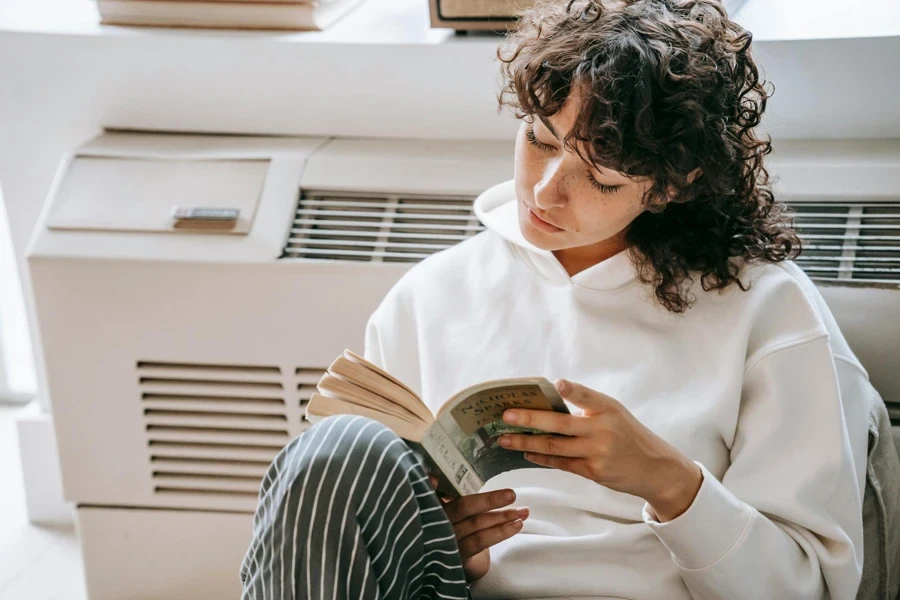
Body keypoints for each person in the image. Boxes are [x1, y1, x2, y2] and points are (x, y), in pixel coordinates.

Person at [240, 0, 873, 598]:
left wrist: (669, 482)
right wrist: (456, 548)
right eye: (540, 141)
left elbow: (809, 586)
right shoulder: (431, 295)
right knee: (332, 453)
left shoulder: (768, 313)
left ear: (672, 186)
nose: (545, 194)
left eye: (599, 177)